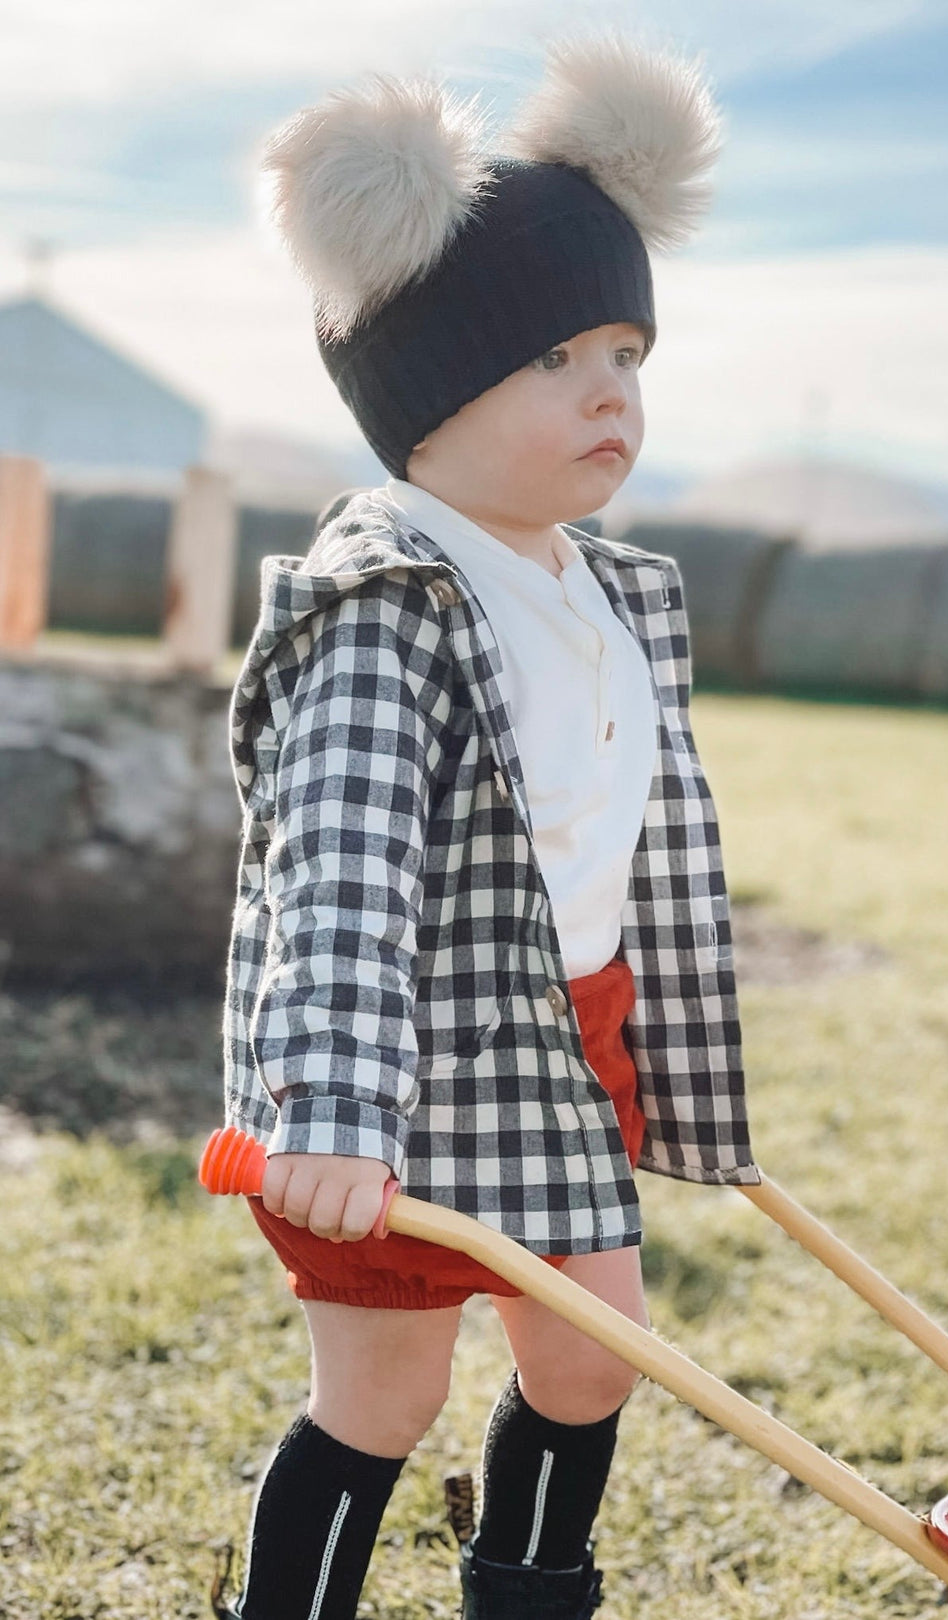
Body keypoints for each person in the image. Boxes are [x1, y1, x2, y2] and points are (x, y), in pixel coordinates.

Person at [213, 28, 759, 1620]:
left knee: (596, 1360)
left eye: (626, 356)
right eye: (555, 361)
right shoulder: (383, 607)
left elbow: (625, 846)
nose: (610, 396)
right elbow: (342, 879)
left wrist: (654, 1045)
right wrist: (329, 1107)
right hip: (388, 1053)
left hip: (560, 1040)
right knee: (381, 1399)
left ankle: (528, 1592)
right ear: (428, 395)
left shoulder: (603, 589)